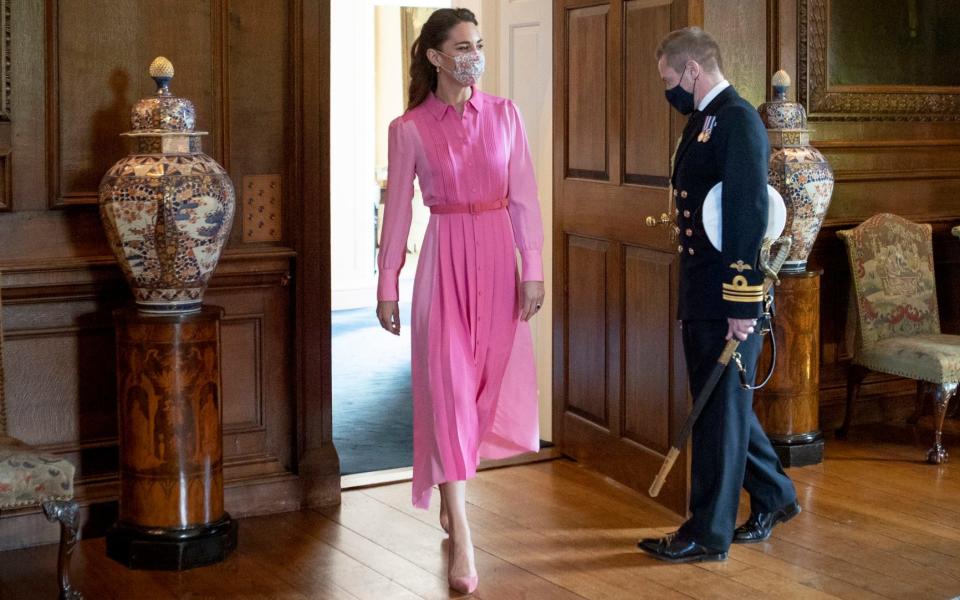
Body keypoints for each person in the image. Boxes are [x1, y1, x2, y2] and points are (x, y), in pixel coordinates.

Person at [375, 7, 545, 593]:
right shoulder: (410, 129)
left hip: (500, 262)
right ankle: (464, 538)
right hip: (442, 264)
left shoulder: (505, 115)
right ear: (435, 56)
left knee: (482, 389)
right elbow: (398, 213)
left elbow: (523, 196)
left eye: (479, 44)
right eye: (464, 45)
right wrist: (386, 283)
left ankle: (452, 486)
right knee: (446, 389)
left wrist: (534, 270)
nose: (475, 54)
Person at [637, 27, 800, 563]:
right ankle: (775, 495)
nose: (668, 90)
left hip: (726, 296)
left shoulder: (738, 121)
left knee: (719, 413)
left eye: (669, 79)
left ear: (691, 71)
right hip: (702, 288)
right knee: (723, 406)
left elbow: (747, 215)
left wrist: (740, 305)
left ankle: (707, 533)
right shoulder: (704, 120)